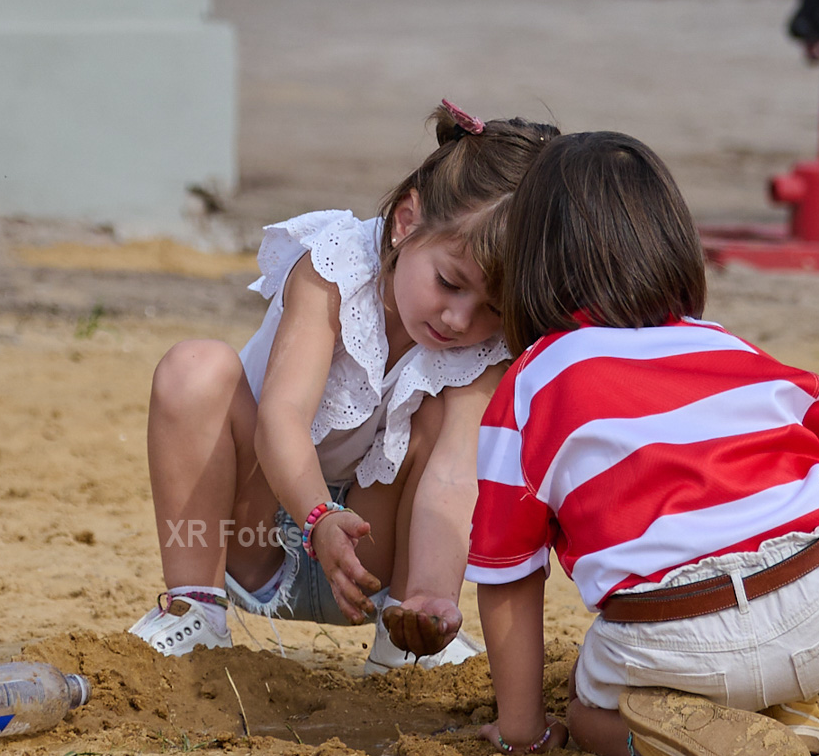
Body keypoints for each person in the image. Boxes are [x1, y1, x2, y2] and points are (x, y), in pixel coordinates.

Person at [393, 131, 819, 756]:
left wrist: (523, 731)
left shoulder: (532, 384)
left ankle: (681, 738)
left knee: (592, 700)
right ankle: (783, 704)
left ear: (529, 266)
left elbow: (509, 577)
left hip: (680, 635)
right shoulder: (740, 354)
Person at [130, 102, 558, 671]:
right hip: (254, 529)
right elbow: (281, 417)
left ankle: (405, 635)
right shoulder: (336, 268)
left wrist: (432, 593)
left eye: (492, 308)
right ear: (407, 223)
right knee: (195, 367)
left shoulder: (484, 347)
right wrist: (316, 518)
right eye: (449, 283)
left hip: (364, 562)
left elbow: (455, 474)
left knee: (447, 421)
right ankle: (194, 612)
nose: (460, 320)